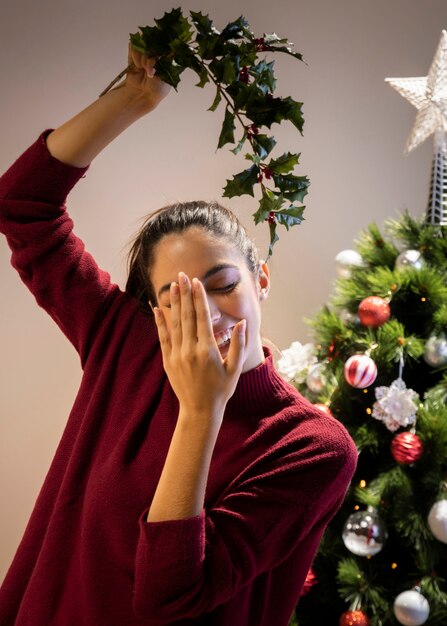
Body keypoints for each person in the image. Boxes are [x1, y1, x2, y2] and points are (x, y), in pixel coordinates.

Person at [0, 43, 357, 626]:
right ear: (154, 312)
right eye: (176, 299)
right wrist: (132, 99)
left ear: (260, 278)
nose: (206, 315)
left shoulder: (311, 447)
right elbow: (23, 205)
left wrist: (201, 411)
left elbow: (168, 597)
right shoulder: (125, 343)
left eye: (221, 285)